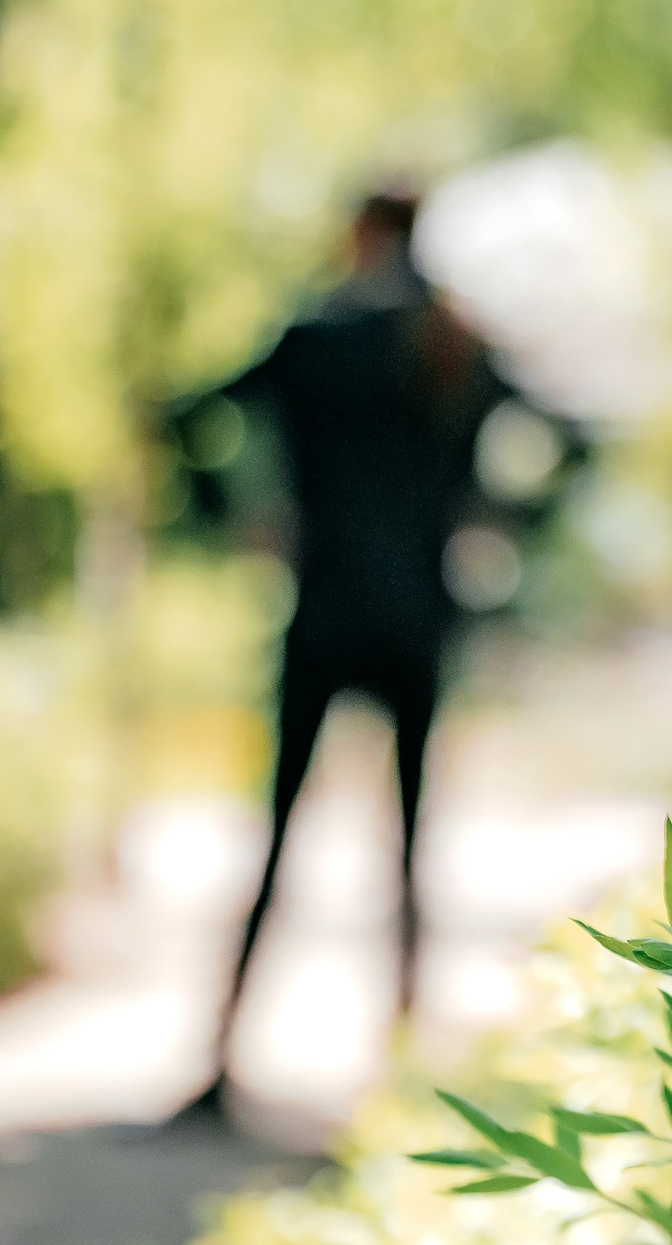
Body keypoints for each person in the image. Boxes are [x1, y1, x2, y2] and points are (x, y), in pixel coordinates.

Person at [175, 189, 511, 1121]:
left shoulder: (315, 337)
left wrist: (236, 515)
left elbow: (188, 415)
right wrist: (496, 520)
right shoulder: (456, 343)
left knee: (278, 832)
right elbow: (570, 438)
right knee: (409, 843)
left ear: (360, 233)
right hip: (418, 618)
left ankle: (221, 1062)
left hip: (323, 613)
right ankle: (401, 1076)